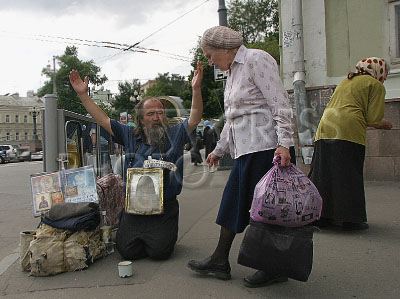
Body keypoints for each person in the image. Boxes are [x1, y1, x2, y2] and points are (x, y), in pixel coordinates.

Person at [187, 26, 296, 288]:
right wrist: (218, 150)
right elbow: (233, 119)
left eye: (210, 55)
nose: (210, 61)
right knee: (232, 204)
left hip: (264, 147)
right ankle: (220, 260)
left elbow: (279, 102)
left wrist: (284, 144)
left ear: (225, 49)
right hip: (245, 150)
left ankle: (274, 268)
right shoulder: (233, 72)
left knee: (265, 210)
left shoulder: (255, 59)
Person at [69, 61, 203, 260]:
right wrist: (83, 94)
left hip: (164, 208)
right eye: (151, 114)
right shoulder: (129, 134)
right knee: (127, 252)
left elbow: (195, 117)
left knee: (159, 253)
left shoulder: (174, 134)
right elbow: (102, 120)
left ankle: (161, 236)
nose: (157, 117)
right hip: (134, 208)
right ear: (141, 119)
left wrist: (196, 88)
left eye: (160, 113)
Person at [309, 57, 392, 231]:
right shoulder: (375, 85)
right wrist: (386, 124)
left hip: (325, 128)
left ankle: (320, 218)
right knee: (347, 175)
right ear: (380, 71)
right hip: (348, 131)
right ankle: (344, 220)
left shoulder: (347, 80)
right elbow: (373, 118)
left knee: (324, 174)